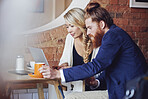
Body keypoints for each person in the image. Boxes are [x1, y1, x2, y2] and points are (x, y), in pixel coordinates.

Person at [39, 2, 147, 99]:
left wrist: (59, 74)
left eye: (90, 28)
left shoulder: (112, 36)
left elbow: (96, 66)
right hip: (118, 90)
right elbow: (109, 69)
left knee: (72, 98)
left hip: (130, 92)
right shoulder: (112, 35)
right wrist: (96, 82)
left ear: (102, 24)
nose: (87, 32)